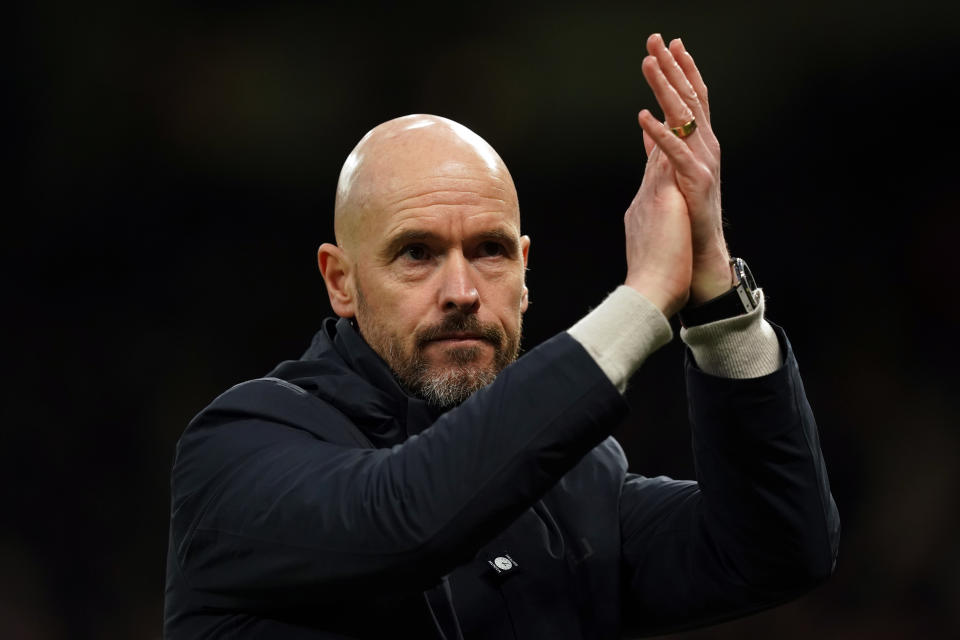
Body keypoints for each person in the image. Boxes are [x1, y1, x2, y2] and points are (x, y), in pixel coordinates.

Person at [164, 34, 840, 638]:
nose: (461, 291)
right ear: (341, 281)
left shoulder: (575, 489)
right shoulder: (236, 454)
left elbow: (777, 549)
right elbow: (406, 520)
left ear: (523, 270)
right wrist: (640, 305)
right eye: (417, 253)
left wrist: (717, 300)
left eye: (489, 250)